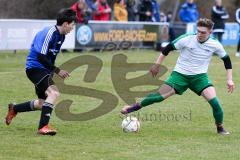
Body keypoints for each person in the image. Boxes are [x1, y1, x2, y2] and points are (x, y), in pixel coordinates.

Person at [121, 18, 234, 135]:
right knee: (158, 97)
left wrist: (230, 79)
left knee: (215, 103)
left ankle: (219, 128)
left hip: (200, 78)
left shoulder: (215, 44)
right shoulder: (186, 38)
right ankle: (133, 107)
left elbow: (226, 60)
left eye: (203, 32)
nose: (199, 34)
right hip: (180, 75)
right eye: (198, 31)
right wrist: (157, 65)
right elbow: (167, 49)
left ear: (210, 32)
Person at [5, 8, 76, 136]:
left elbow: (51, 57)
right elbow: (41, 57)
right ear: (65, 24)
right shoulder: (48, 33)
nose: (73, 27)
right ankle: (43, 127)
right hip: (35, 68)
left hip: (44, 70)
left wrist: (52, 73)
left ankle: (14, 108)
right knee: (53, 93)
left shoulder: (62, 36)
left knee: (42, 103)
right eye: (72, 24)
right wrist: (58, 70)